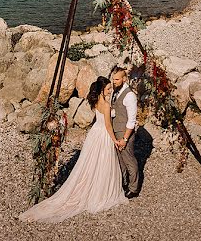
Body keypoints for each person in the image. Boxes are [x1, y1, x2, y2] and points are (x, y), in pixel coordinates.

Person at [18, 76, 128, 223]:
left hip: (94, 133)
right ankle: (99, 192)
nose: (110, 90)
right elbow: (108, 126)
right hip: (103, 135)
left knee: (89, 164)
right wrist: (115, 140)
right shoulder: (107, 105)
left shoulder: (96, 101)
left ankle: (89, 186)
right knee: (102, 163)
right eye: (108, 88)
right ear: (102, 90)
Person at [110, 66, 140, 198]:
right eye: (113, 79)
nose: (114, 81)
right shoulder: (116, 91)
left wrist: (125, 139)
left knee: (129, 161)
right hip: (116, 131)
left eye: (116, 79)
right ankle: (124, 183)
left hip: (124, 133)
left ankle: (134, 188)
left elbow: (132, 121)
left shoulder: (130, 96)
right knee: (120, 161)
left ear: (124, 78)